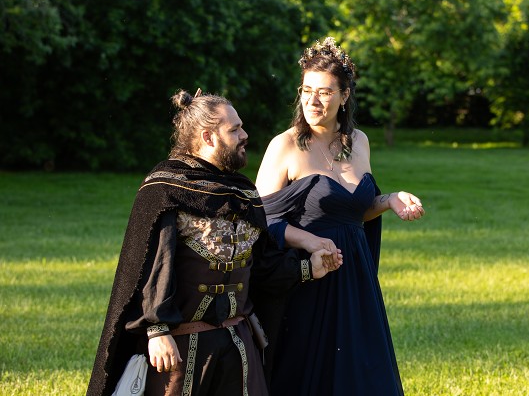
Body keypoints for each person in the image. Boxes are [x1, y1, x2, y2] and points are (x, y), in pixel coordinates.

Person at [86, 89, 342, 396]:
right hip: (179, 349)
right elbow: (153, 265)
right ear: (208, 137)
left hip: (238, 346)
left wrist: (308, 267)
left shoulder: (243, 192)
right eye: (234, 130)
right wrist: (156, 330)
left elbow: (261, 265)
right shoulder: (166, 189)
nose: (244, 135)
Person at [254, 37, 425, 396]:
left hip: (355, 276)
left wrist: (390, 200)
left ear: (344, 96)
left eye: (325, 92)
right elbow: (259, 220)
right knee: (307, 376)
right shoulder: (284, 146)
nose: (313, 101)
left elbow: (352, 210)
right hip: (308, 277)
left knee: (362, 373)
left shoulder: (358, 142)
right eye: (306, 91)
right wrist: (309, 241)